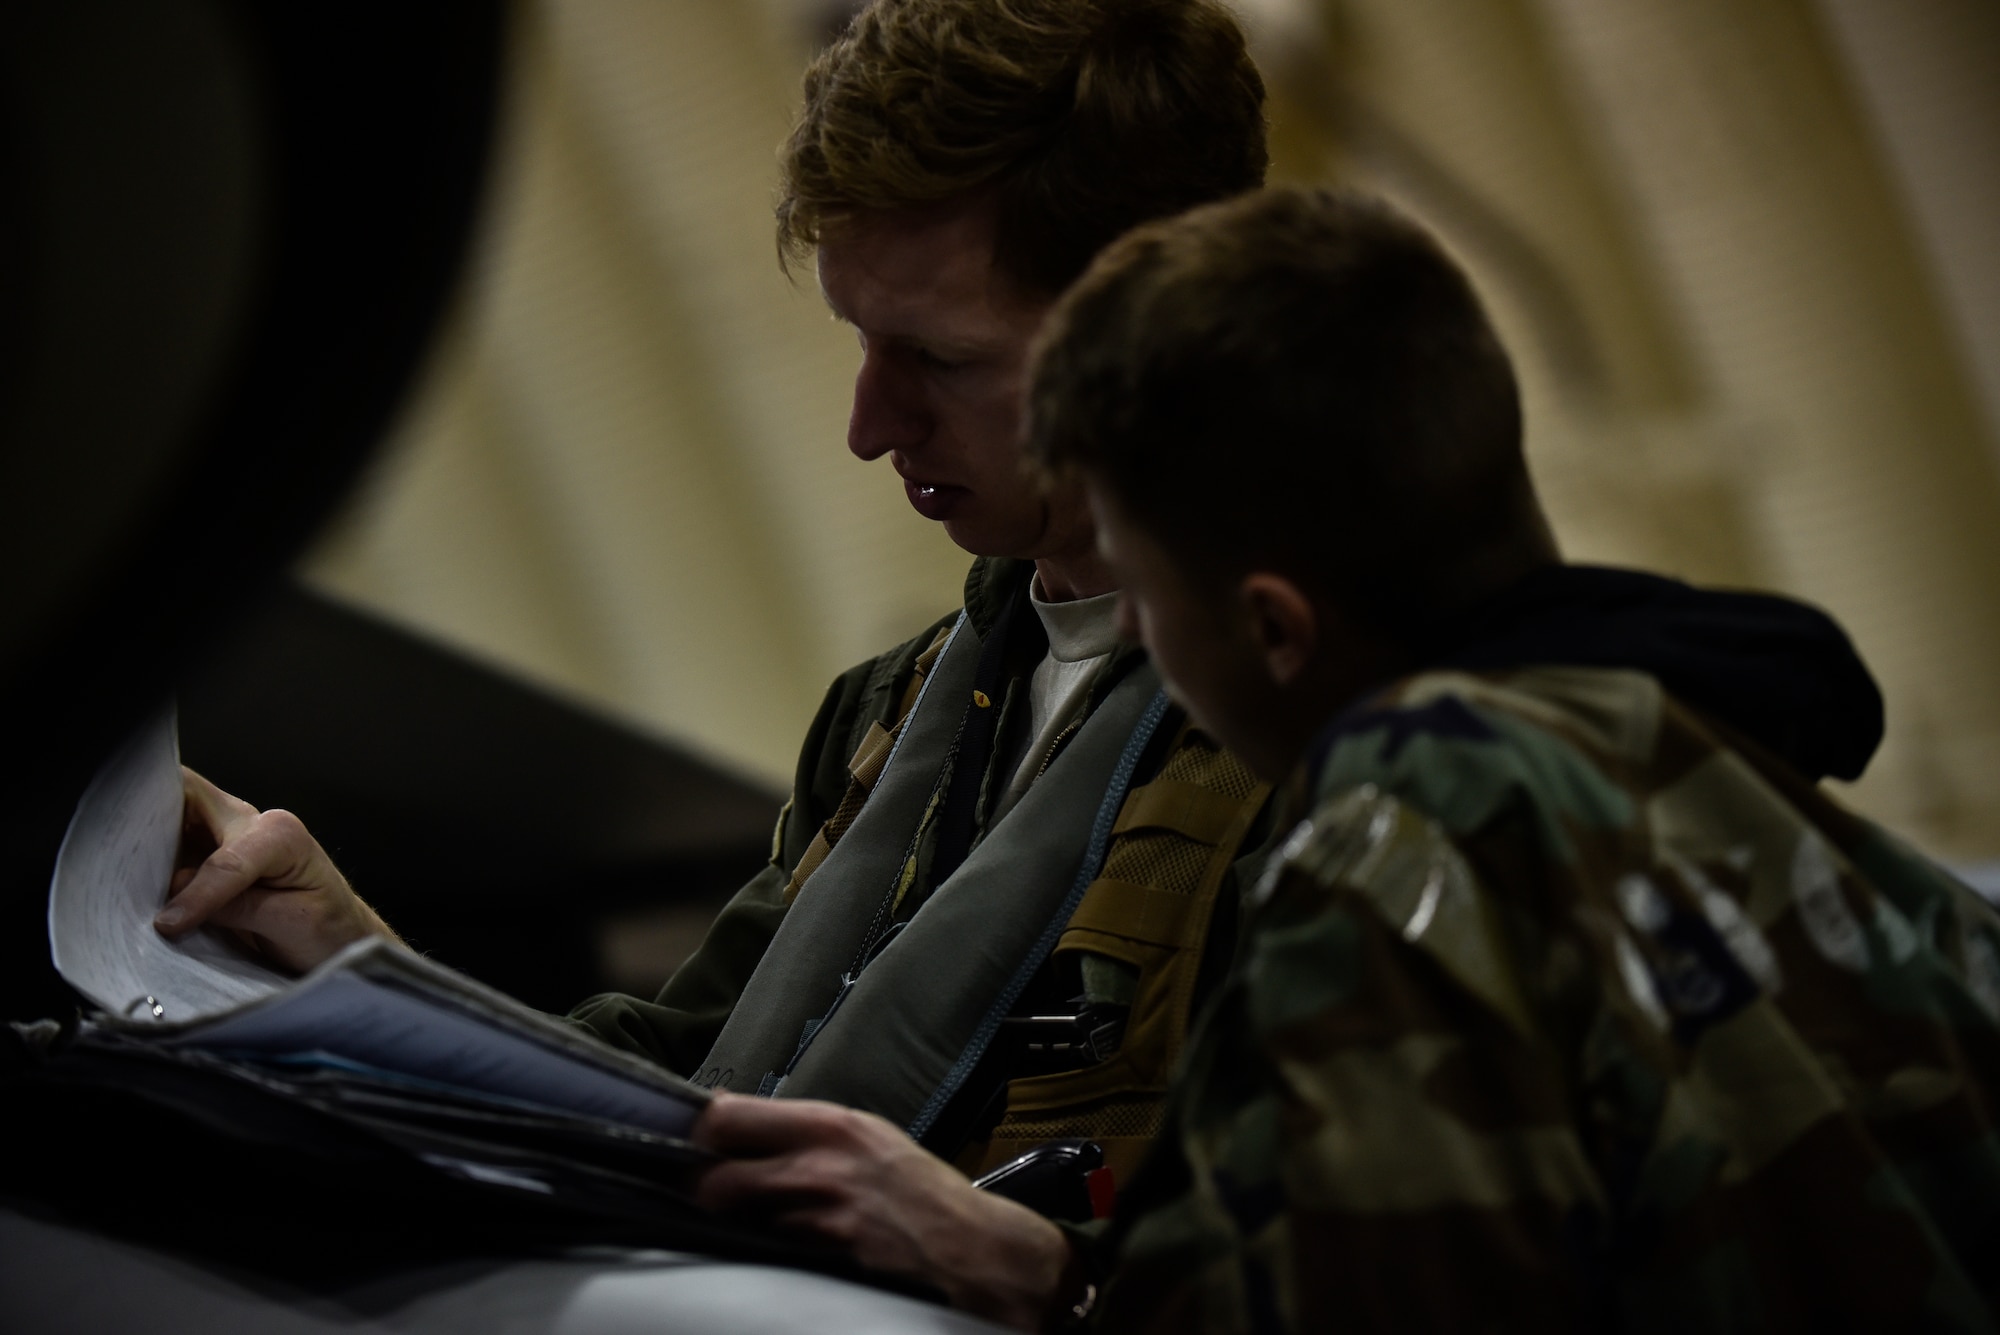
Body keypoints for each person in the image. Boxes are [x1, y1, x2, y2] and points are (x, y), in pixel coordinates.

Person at [687, 186, 2000, 1330]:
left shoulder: (1401, 836)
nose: (1131, 626)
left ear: (1273, 625)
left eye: (1143, 591)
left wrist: (1061, 1286)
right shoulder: (1736, 778)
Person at [157, 0, 1277, 1187]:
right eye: (859, 341)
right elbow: (680, 1089)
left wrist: (1054, 1283)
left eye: (942, 360)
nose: (868, 429)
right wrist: (344, 951)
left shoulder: (1334, 737)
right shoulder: (888, 715)